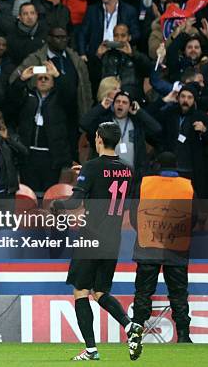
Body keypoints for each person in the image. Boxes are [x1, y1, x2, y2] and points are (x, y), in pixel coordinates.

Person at [50, 121, 144, 361]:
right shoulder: (128, 169)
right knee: (101, 291)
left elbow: (73, 203)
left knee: (81, 291)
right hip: (113, 237)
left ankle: (91, 350)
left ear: (99, 139)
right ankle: (130, 325)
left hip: (91, 235)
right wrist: (87, 173)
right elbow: (109, 181)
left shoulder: (92, 167)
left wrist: (54, 206)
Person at [129, 152, 195, 343]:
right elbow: (194, 217)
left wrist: (146, 231)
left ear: (157, 165)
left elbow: (134, 215)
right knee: (179, 293)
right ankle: (183, 335)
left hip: (147, 246)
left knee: (143, 292)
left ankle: (136, 335)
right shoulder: (187, 186)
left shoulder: (145, 184)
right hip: (177, 248)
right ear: (176, 166)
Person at [8, 62, 73, 194]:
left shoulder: (59, 98)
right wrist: (21, 80)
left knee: (48, 194)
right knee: (30, 194)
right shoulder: (27, 95)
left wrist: (57, 75)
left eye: (46, 78)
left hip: (51, 155)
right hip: (29, 154)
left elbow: (70, 93)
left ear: (53, 82)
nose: (43, 80)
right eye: (40, 78)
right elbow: (11, 99)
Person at [147, 85, 208, 199]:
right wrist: (163, 101)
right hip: (169, 169)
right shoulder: (169, 113)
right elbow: (149, 117)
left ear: (194, 100)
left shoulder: (201, 117)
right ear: (178, 98)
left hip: (191, 170)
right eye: (182, 96)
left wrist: (205, 130)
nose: (185, 100)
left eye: (189, 97)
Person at [80, 90, 161, 179]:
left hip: (132, 177)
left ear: (130, 107)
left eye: (124, 102)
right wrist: (101, 107)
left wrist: (139, 112)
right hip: (107, 176)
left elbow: (157, 129)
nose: (120, 104)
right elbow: (84, 123)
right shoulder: (104, 123)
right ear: (113, 105)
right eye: (117, 101)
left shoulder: (137, 124)